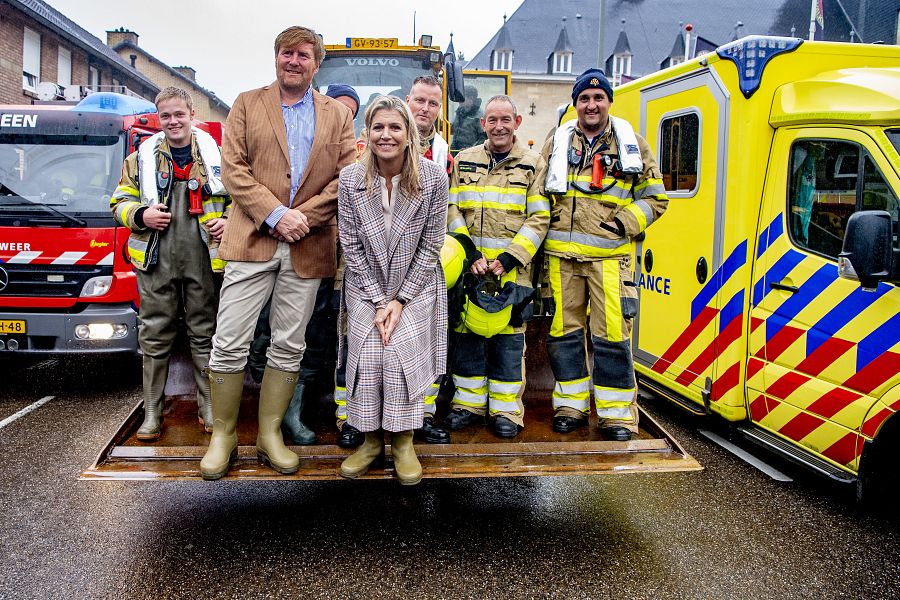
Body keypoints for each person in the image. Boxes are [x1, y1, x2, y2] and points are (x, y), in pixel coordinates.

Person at [199, 26, 356, 480]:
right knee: (229, 342)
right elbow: (233, 171)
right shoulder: (248, 103)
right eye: (287, 53)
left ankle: (270, 434)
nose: (294, 61)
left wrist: (299, 217)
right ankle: (223, 436)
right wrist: (274, 215)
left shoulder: (336, 116)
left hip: (306, 245)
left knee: (289, 345)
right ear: (276, 58)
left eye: (303, 54)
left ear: (316, 63)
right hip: (252, 241)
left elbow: (345, 178)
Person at [540, 69, 668, 441]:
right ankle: (571, 407)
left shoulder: (632, 144)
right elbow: (537, 191)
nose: (591, 105)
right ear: (576, 104)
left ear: (609, 102)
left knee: (612, 336)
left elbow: (655, 198)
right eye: (584, 99)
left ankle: (616, 416)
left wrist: (622, 224)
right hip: (561, 258)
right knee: (564, 334)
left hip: (609, 260)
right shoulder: (557, 141)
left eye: (598, 99)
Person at [335, 76, 452, 448]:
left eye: (395, 127)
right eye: (378, 127)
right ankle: (370, 443)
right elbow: (351, 248)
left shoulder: (433, 178)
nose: (387, 134)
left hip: (415, 287)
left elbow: (432, 245)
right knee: (369, 356)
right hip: (365, 286)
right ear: (366, 132)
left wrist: (399, 301)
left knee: (399, 355)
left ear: (408, 134)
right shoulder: (350, 179)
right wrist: (379, 301)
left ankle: (403, 444)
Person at [245, 83, 362, 448]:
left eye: (350, 112)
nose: (342, 115)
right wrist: (282, 218)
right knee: (269, 332)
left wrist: (302, 220)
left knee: (313, 338)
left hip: (322, 254)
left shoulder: (360, 155)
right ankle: (274, 415)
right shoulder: (294, 135)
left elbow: (343, 191)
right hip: (276, 242)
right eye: (336, 107)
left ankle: (299, 410)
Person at [110, 86, 229, 440]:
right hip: (155, 258)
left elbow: (241, 199)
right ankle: (152, 412)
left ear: (193, 115)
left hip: (204, 257)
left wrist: (230, 221)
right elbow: (118, 203)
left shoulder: (217, 155)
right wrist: (141, 214)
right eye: (166, 116)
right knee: (154, 335)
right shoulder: (140, 159)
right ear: (159, 119)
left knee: (204, 333)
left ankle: (207, 407)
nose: (173, 121)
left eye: (180, 114)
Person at [444, 95, 548, 438]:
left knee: (508, 343)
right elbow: (452, 209)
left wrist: (508, 259)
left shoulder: (534, 164)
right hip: (471, 270)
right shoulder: (465, 160)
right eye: (492, 120)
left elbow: (539, 218)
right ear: (483, 124)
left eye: (505, 119)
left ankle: (505, 411)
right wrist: (470, 254)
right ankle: (468, 405)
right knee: (468, 337)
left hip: (511, 272)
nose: (498, 126)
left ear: (516, 123)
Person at [450, 85, 487, 152]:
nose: (459, 100)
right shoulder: (460, 112)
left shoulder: (480, 116)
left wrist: (470, 149)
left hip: (470, 154)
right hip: (455, 150)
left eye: (462, 98)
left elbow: (483, 138)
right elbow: (453, 129)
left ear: (471, 98)